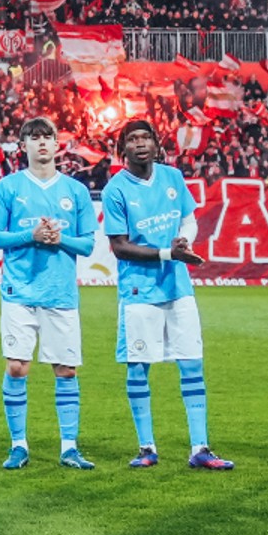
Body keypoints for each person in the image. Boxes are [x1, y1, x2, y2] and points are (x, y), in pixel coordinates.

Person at [101, 120, 234, 471]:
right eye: (132, 139)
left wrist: (184, 241)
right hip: (138, 291)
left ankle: (200, 448)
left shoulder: (173, 177)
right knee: (138, 368)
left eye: (146, 137)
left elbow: (189, 219)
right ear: (123, 148)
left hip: (178, 288)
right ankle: (146, 447)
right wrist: (167, 254)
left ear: (157, 144)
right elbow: (119, 247)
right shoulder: (116, 189)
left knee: (191, 363)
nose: (140, 144)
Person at [0, 117, 96, 470]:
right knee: (17, 367)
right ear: (24, 146)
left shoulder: (75, 191)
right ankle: (18, 445)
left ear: (58, 145)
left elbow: (89, 245)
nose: (42, 143)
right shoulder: (9, 187)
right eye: (34, 138)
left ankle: (69, 447)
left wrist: (60, 239)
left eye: (48, 137)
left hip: (60, 293)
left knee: (66, 370)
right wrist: (29, 236)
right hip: (18, 292)